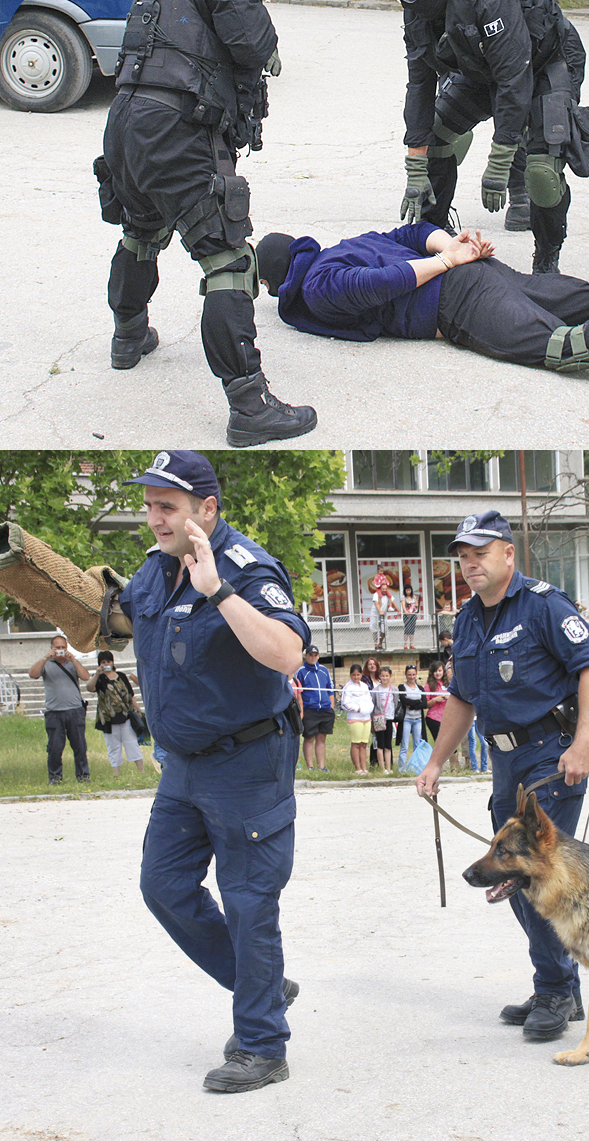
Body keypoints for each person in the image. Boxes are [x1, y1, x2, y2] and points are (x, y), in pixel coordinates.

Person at [116, 450, 307, 1092]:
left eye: (166, 506)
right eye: (149, 506)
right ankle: (264, 986)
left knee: (251, 903)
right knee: (163, 885)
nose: (154, 519)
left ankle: (261, 1045)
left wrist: (217, 592)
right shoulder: (153, 572)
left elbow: (286, 653)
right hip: (184, 768)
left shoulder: (246, 569)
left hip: (248, 764)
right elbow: (119, 622)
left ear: (208, 509)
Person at [94, 0, 316, 447]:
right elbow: (250, 41)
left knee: (141, 229)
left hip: (125, 118)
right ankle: (250, 404)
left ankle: (128, 336)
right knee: (228, 260)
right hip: (176, 124)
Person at [415, 510, 589, 1042]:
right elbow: (462, 697)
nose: (470, 563)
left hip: (551, 758)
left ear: (508, 553)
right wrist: (435, 761)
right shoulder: (468, 619)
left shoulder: (544, 605)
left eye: (480, 552)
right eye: (463, 555)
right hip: (505, 764)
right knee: (514, 877)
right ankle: (560, 985)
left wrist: (584, 742)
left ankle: (553, 988)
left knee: (535, 874)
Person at [256, 224, 589, 408]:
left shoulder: (316, 289)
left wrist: (448, 260)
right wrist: (454, 244)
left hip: (459, 300)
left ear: (278, 279)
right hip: (482, 273)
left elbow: (374, 286)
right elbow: (414, 231)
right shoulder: (342, 247)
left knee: (563, 345)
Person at [385, 0, 589, 275]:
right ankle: (437, 238)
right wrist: (415, 164)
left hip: (545, 63)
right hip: (482, 68)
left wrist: (499, 163)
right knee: (436, 138)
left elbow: (515, 80)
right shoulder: (417, 11)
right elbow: (420, 83)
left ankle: (546, 259)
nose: (406, 2)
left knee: (541, 172)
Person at [29, 634, 91, 784]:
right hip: (54, 712)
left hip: (74, 710)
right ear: (52, 648)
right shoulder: (47, 664)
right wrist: (45, 658)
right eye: (57, 647)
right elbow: (33, 674)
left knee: (80, 746)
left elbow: (86, 676)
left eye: (63, 647)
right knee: (55, 748)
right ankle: (55, 776)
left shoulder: (72, 663)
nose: (60, 650)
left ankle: (83, 776)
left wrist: (74, 660)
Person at [92, 650, 145, 777]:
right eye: (103, 662)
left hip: (125, 716)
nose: (106, 664)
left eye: (108, 661)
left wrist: (138, 710)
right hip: (108, 719)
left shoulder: (121, 676)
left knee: (132, 743)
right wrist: (97, 674)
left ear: (113, 662)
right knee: (113, 747)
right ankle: (116, 773)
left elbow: (130, 695)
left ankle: (141, 770)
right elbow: (90, 688)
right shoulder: (99, 679)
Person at [296, 644, 335, 772]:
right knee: (309, 738)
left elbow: (330, 689)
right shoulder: (301, 671)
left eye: (315, 655)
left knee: (321, 738)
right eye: (310, 655)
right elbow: (299, 692)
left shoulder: (324, 670)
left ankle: (321, 766)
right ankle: (310, 766)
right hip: (310, 709)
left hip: (325, 709)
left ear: (318, 656)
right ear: (306, 656)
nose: (313, 658)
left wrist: (332, 707)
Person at [341, 663, 373, 773]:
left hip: (366, 718)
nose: (356, 677)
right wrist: (358, 709)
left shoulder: (364, 686)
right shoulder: (348, 687)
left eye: (358, 675)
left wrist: (369, 708)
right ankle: (358, 768)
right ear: (350, 675)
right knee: (356, 743)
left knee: (364, 744)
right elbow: (345, 703)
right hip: (355, 718)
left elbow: (369, 699)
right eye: (354, 675)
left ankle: (364, 768)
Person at [396, 664, 427, 769]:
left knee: (417, 745)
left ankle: (416, 767)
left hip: (418, 720)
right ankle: (402, 769)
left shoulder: (420, 688)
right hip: (406, 720)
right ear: (406, 675)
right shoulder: (402, 687)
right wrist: (418, 702)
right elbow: (404, 701)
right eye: (409, 674)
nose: (411, 677)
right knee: (404, 745)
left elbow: (424, 704)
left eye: (413, 674)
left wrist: (412, 705)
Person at [371, 664, 397, 772]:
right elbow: (373, 705)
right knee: (380, 745)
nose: (385, 678)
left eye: (387, 676)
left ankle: (389, 767)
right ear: (379, 676)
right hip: (379, 718)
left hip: (390, 718)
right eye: (383, 676)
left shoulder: (394, 689)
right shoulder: (376, 690)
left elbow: (395, 702)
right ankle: (382, 768)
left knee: (388, 745)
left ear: (390, 676)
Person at [401, 583, 419, 650]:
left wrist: (415, 604)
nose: (408, 591)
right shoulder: (404, 597)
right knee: (407, 629)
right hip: (407, 615)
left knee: (412, 629)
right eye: (407, 590)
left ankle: (411, 644)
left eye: (409, 590)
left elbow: (417, 604)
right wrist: (405, 611)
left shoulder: (414, 597)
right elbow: (403, 604)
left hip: (413, 614)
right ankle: (405, 644)